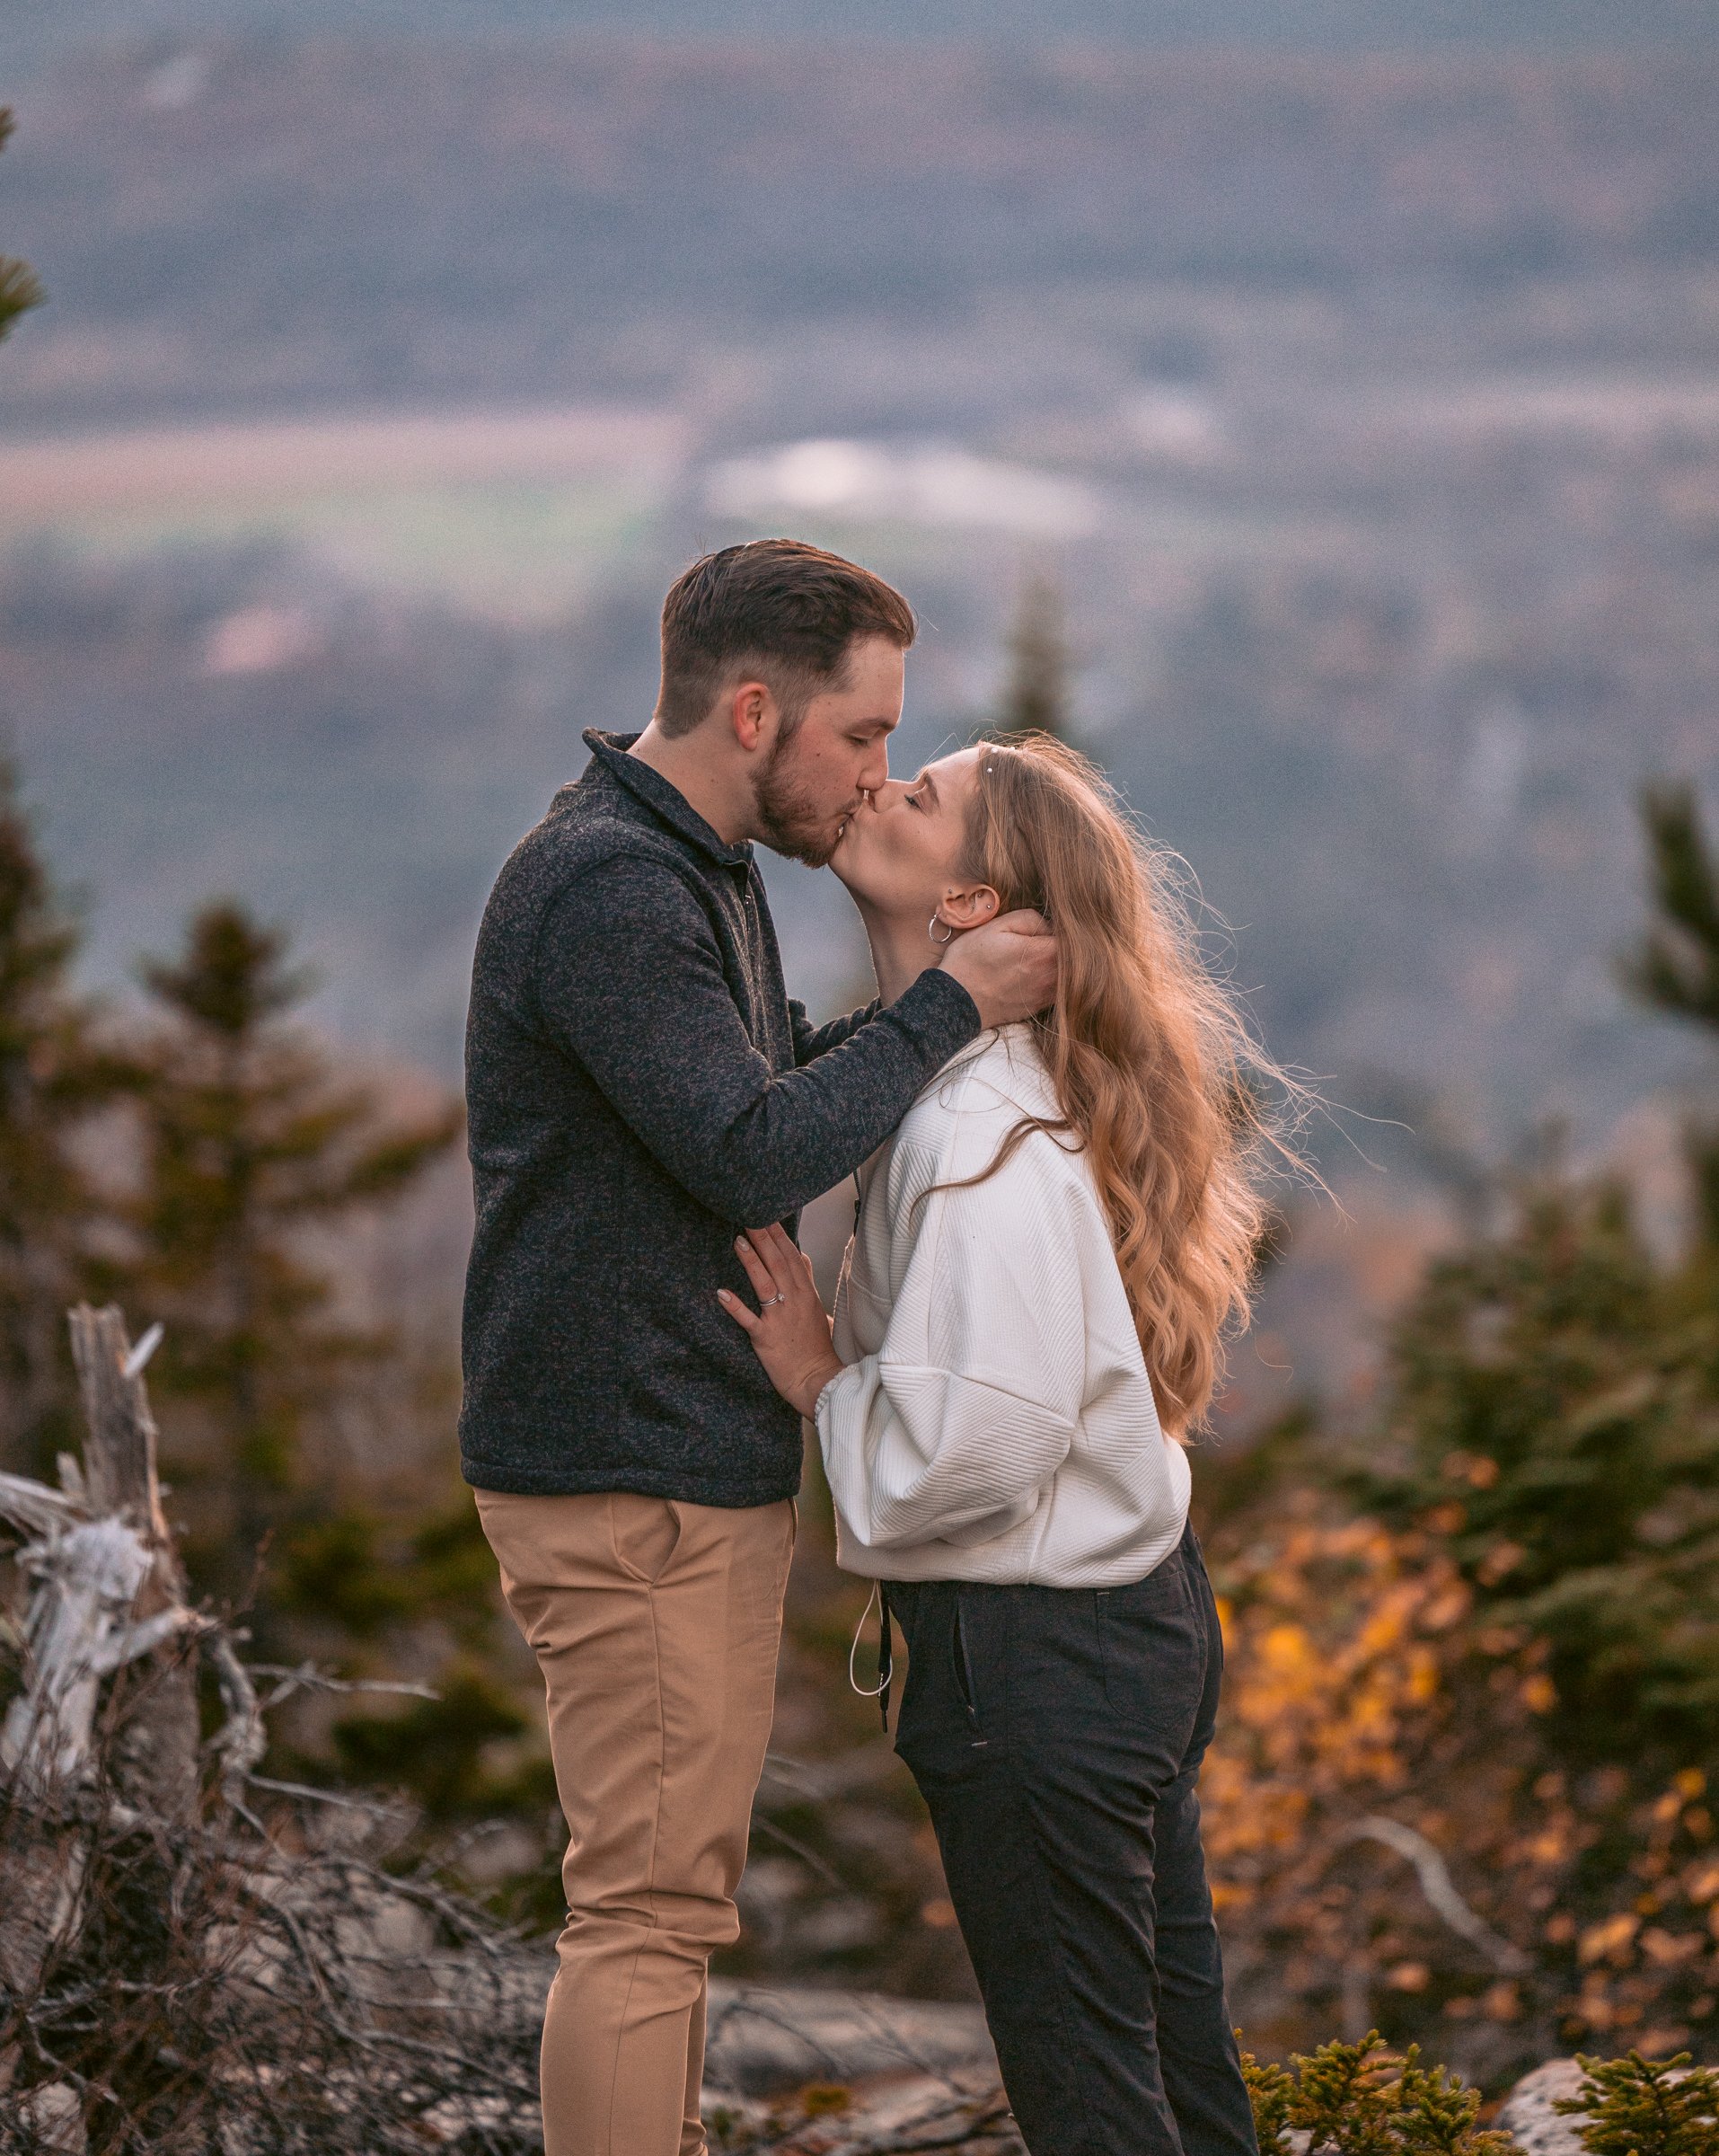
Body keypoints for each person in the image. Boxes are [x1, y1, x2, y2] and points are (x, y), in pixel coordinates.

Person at [459, 539, 1057, 2156]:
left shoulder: (689, 871)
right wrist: (954, 1012)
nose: (874, 775)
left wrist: (929, 992)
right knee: (650, 1918)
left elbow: (772, 1073)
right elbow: (743, 1144)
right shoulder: (611, 886)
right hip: (626, 1467)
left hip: (666, 1458)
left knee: (663, 1908)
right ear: (750, 711)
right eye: (862, 736)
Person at [719, 732, 1281, 2156]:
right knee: (1168, 2064)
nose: (877, 787)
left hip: (1041, 1660)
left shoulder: (975, 1124)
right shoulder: (979, 1093)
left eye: (919, 795)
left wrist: (821, 1385)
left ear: (969, 903)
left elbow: (982, 1444)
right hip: (1111, 1630)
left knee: (1089, 2092)